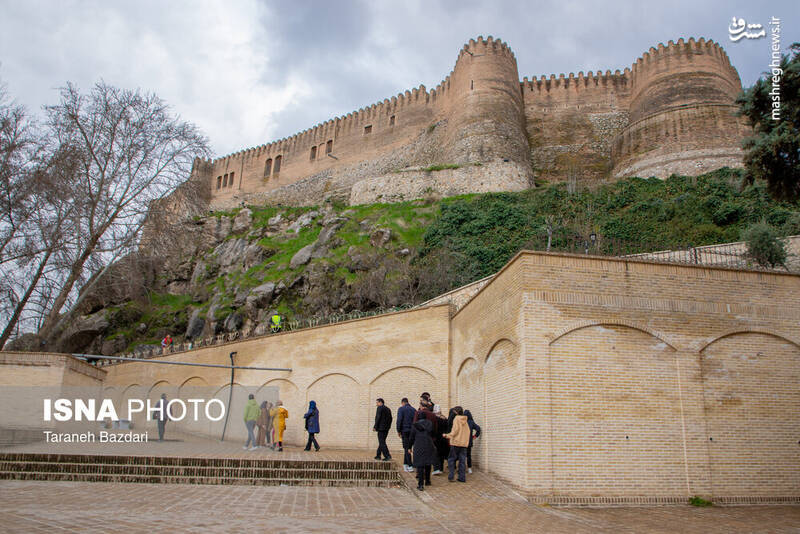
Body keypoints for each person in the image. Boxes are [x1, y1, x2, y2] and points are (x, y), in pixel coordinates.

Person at [409, 417, 436, 491]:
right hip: (429, 445)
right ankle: (427, 481)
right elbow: (434, 435)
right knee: (428, 463)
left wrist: (409, 447)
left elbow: (411, 437)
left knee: (420, 465)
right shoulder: (430, 425)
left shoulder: (415, 426)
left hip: (418, 446)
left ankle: (420, 484)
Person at [443, 406, 469, 482]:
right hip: (463, 444)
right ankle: (462, 477)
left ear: (456, 412)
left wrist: (447, 435)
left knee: (451, 459)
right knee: (462, 461)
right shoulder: (465, 420)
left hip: (456, 443)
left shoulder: (456, 419)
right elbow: (468, 431)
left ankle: (451, 476)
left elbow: (455, 431)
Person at [396, 397, 416, 472]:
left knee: (406, 448)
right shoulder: (414, 410)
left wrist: (398, 430)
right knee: (408, 447)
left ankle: (410, 465)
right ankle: (405, 464)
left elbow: (399, 420)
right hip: (412, 431)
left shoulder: (401, 409)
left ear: (403, 403)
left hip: (405, 431)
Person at [432, 404, 449, 475]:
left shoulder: (434, 419)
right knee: (441, 454)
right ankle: (441, 468)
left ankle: (436, 468)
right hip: (444, 438)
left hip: (436, 439)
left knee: (436, 454)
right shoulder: (444, 418)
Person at [464, 409, 481, 474]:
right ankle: (469, 468)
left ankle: (462, 468)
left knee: (462, 455)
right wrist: (475, 436)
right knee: (468, 455)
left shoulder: (462, 421)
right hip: (469, 441)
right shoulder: (471, 422)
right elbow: (478, 429)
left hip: (462, 441)